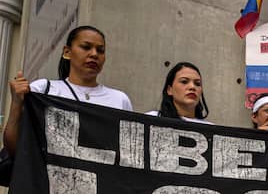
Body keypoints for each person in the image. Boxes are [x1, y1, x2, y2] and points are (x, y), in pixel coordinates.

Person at [3, 25, 132, 157]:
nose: (94, 54)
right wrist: (16, 103)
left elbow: (128, 155)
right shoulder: (43, 90)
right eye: (86, 47)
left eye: (100, 50)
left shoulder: (120, 99)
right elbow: (16, 148)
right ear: (67, 52)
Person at [146, 62, 212, 124]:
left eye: (197, 84)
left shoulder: (212, 129)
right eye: (184, 81)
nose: (192, 87)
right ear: (169, 90)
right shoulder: (151, 118)